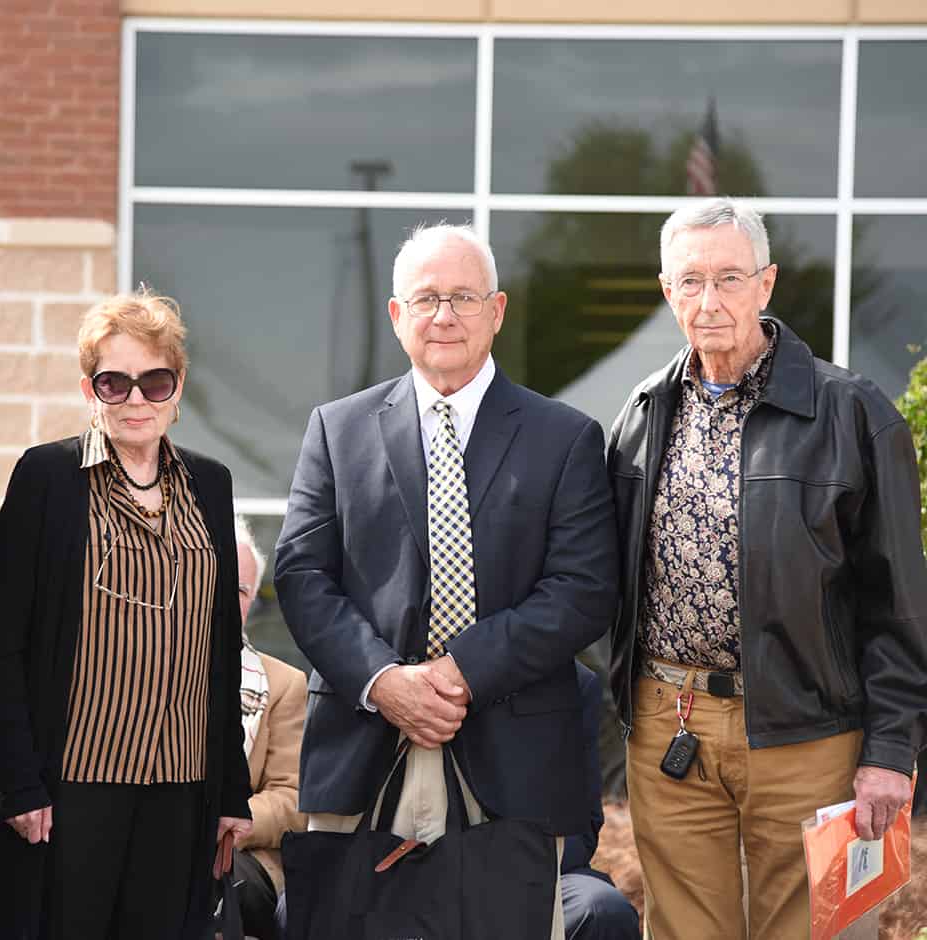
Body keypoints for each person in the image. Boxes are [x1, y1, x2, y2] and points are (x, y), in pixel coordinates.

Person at [274, 223, 619, 937]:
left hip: (514, 763)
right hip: (367, 750)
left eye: (463, 297)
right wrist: (386, 683)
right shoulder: (338, 430)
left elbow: (583, 588)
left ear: (496, 311)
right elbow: (304, 577)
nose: (445, 315)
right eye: (426, 298)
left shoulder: (564, 437)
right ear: (398, 316)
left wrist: (461, 671)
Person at [606, 197, 927, 939]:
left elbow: (900, 604)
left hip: (810, 735)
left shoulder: (851, 412)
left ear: (767, 284)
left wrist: (890, 751)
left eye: (729, 278)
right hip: (668, 727)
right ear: (666, 291)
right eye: (690, 281)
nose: (709, 300)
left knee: (814, 932)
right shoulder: (643, 410)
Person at [0, 291, 252, 940]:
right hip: (73, 783)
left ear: (178, 386)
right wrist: (20, 784)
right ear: (89, 388)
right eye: (114, 382)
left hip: (181, 786)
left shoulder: (209, 484)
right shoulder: (48, 478)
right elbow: (4, 648)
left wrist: (231, 792)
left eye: (154, 381)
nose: (136, 399)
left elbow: (221, 650)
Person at [231, 517, 307, 940]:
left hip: (242, 856)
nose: (226, 597)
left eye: (241, 590)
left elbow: (293, 799)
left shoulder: (283, 684)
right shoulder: (136, 672)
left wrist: (221, 826)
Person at [561, 662, 639, 940]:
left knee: (601, 910)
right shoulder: (422, 681)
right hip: (435, 872)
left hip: (540, 869)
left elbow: (581, 833)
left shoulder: (576, 684)